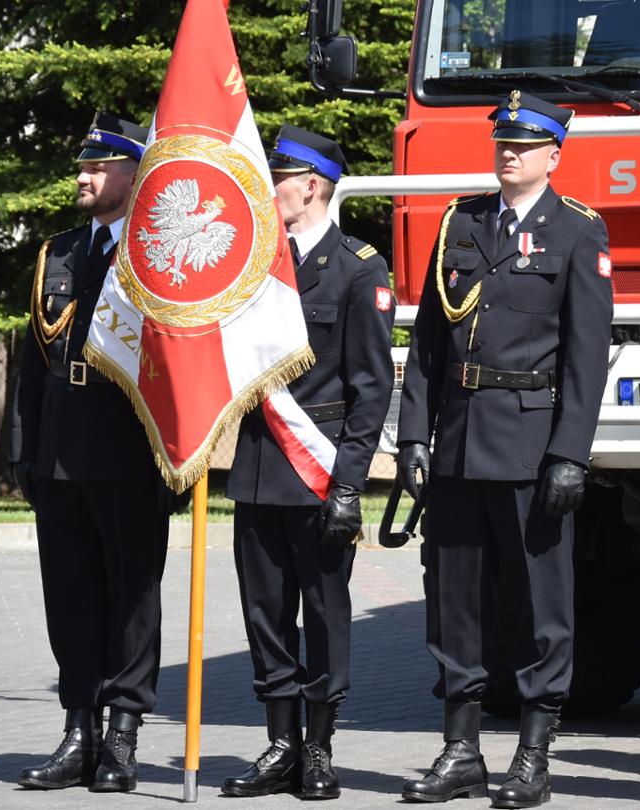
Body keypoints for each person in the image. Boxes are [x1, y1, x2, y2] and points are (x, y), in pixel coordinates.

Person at [395, 90, 612, 809]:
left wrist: (570, 455)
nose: (509, 153)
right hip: (458, 443)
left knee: (541, 606)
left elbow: (586, 357)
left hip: (530, 443)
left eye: (524, 144)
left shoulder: (578, 232)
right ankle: (461, 749)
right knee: (452, 604)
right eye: (503, 143)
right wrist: (412, 438)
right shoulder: (463, 221)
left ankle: (533, 754)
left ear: (554, 154)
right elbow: (429, 343)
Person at [219, 125, 394, 801]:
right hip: (260, 469)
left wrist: (348, 482)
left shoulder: (357, 269)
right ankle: (279, 745)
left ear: (312, 185)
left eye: (278, 178)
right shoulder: (257, 265)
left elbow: (371, 389)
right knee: (265, 615)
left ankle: (318, 749)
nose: (268, 191)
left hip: (319, 474)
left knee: (323, 615)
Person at [7, 113, 174, 794]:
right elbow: (31, 361)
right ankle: (80, 729)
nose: (83, 175)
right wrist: (23, 449)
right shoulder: (60, 252)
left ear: (133, 174)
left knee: (132, 595)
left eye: (99, 166)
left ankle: (125, 731)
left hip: (132, 448)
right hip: (62, 447)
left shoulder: (159, 253)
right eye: (83, 165)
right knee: (70, 596)